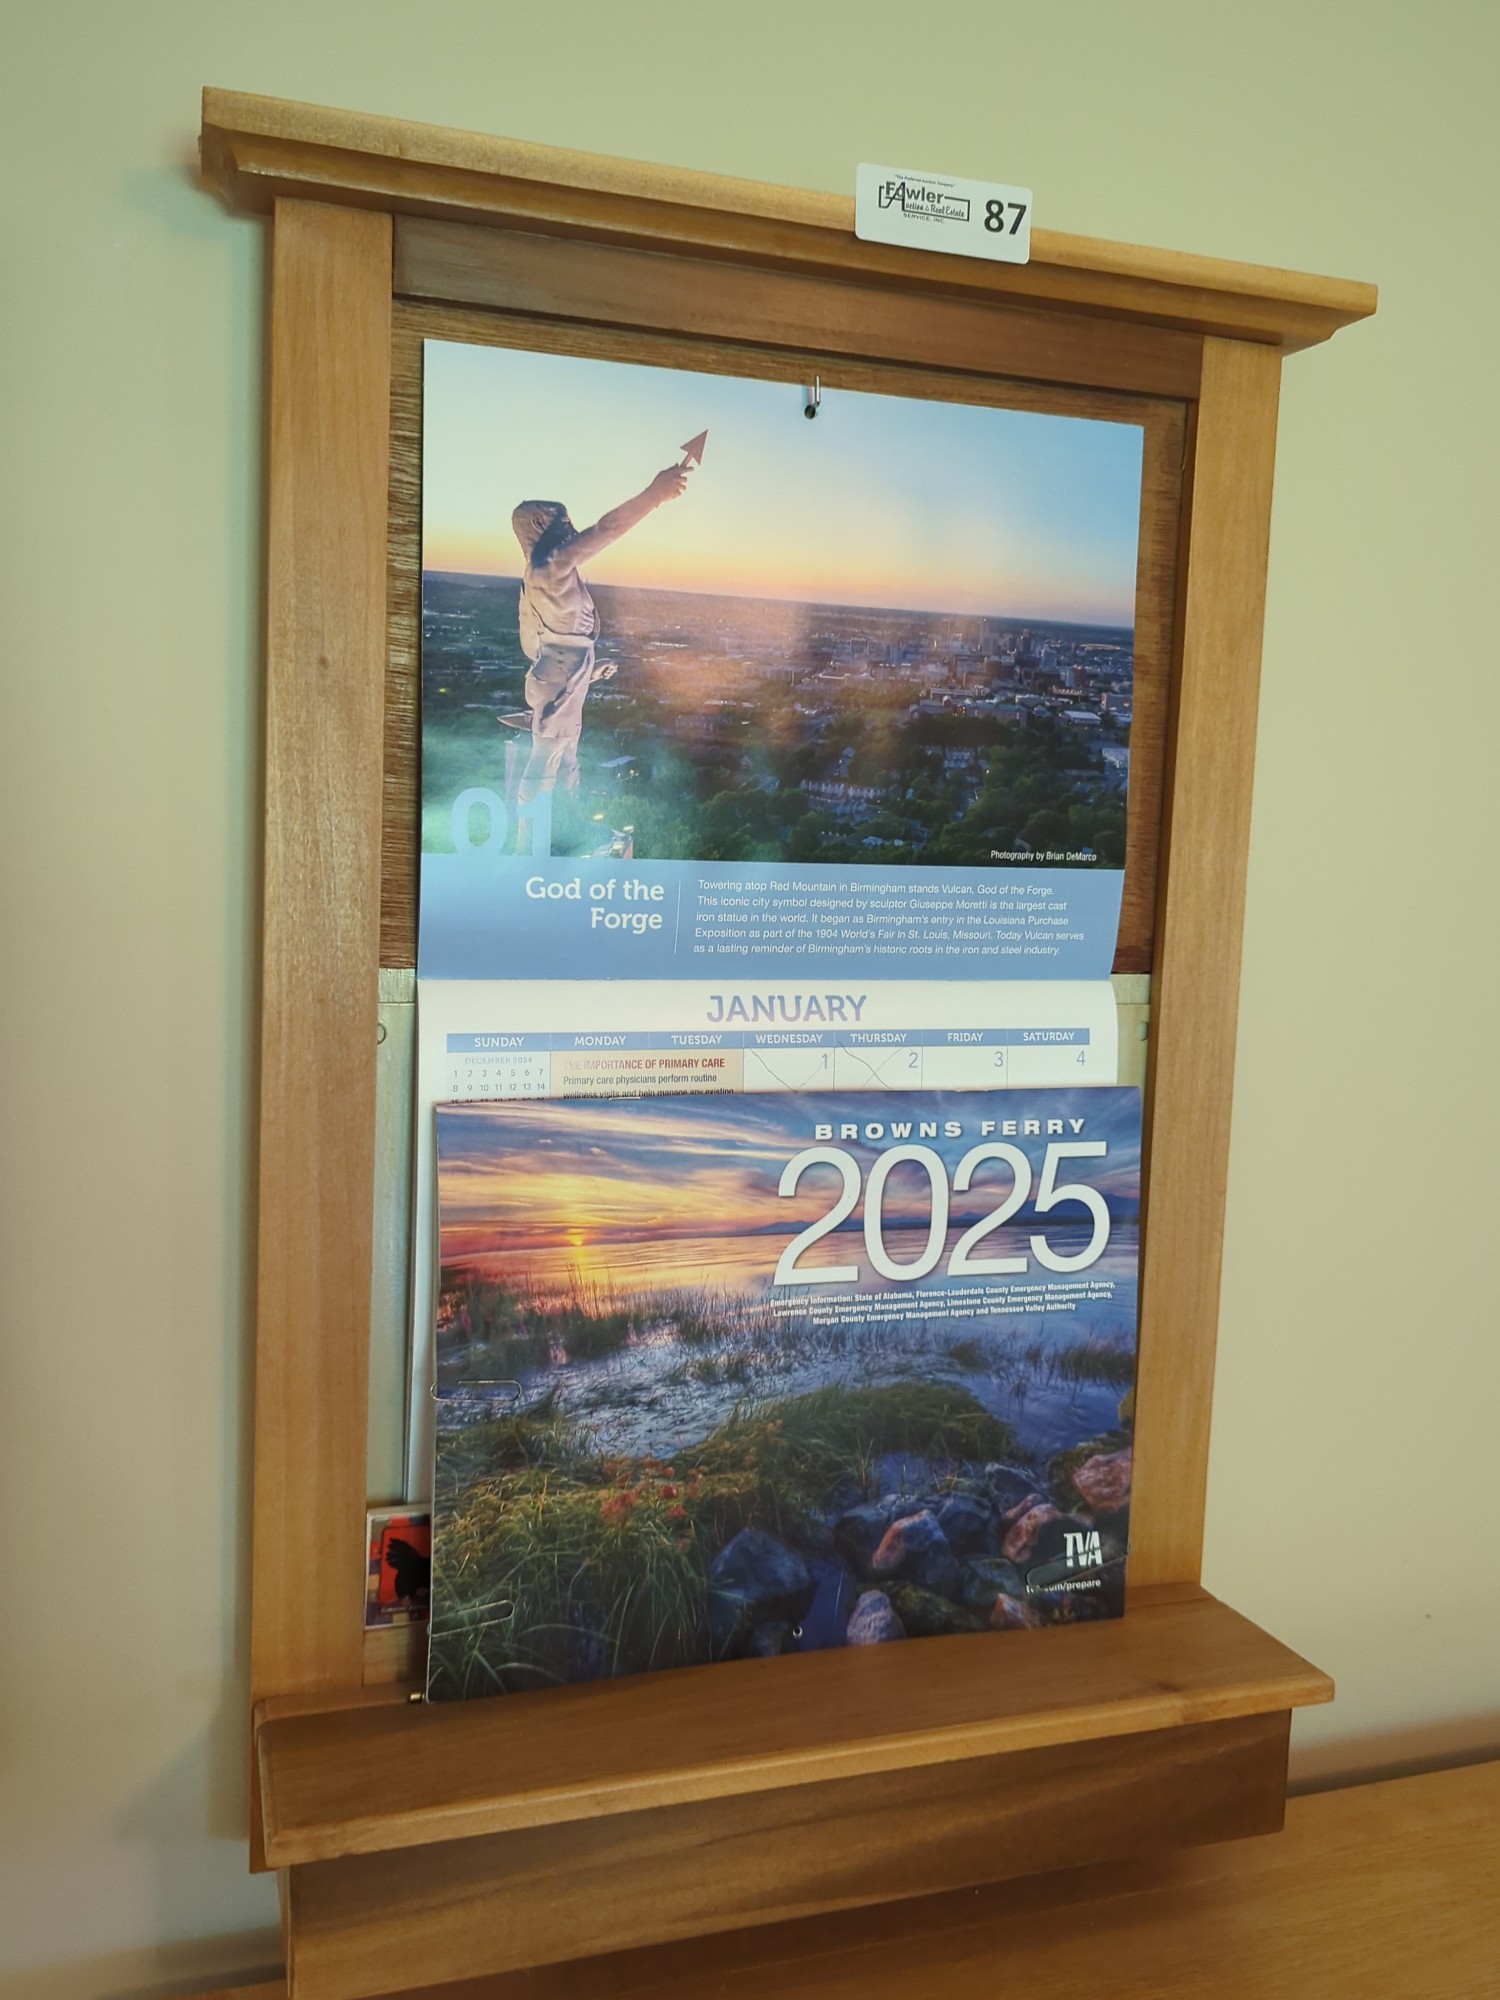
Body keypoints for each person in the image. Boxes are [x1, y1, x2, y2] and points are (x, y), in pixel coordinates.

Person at [510, 465, 690, 851]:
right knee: (547, 755)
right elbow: (605, 530)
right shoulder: (551, 565)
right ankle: (529, 840)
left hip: (565, 670)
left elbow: (551, 643)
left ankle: (565, 826)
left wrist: (589, 672)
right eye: (562, 521)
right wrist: (654, 494)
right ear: (540, 525)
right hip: (562, 670)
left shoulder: (542, 573)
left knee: (566, 759)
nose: (570, 528)